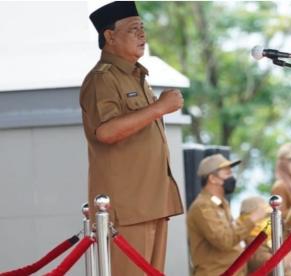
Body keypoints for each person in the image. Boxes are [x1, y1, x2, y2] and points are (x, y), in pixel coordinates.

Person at [80, 2, 184, 274]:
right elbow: (107, 131)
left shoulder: (136, 76)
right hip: (127, 207)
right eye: (133, 29)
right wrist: (159, 108)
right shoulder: (102, 79)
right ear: (109, 36)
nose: (142, 35)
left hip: (151, 202)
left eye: (143, 29)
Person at [187, 154, 266, 276]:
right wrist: (253, 218)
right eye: (227, 174)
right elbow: (224, 240)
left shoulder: (221, 203)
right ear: (212, 178)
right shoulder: (202, 207)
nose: (232, 178)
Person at [239, 196, 291, 275]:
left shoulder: (266, 240)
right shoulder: (252, 245)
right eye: (264, 217)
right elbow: (274, 265)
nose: (268, 220)